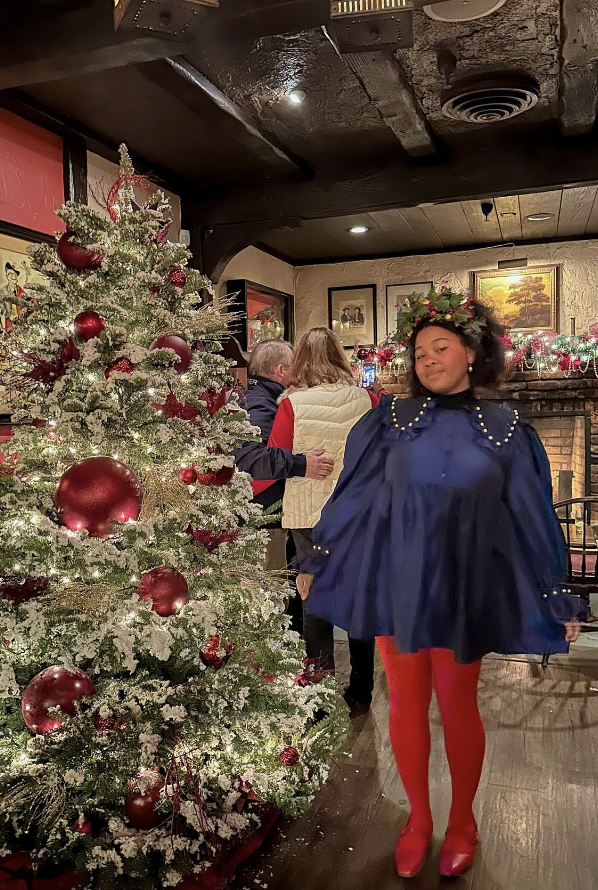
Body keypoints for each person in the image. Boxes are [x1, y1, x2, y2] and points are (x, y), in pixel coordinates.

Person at [296, 290, 581, 877]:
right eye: (419, 351)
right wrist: (316, 558)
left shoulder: (506, 429)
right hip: (397, 580)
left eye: (440, 348)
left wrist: (557, 590)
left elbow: (533, 513)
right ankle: (418, 820)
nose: (426, 360)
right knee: (403, 702)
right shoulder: (388, 420)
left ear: (472, 353)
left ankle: (463, 823)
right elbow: (353, 494)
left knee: (456, 706)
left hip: (464, 584)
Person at [262, 327, 378, 716]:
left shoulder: (291, 405)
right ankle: (361, 690)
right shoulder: (369, 399)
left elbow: (278, 457)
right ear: (340, 357)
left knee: (314, 600)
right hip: (360, 513)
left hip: (310, 515)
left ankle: (320, 697)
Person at [234, 340, 334, 572]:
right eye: (296, 367)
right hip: (264, 521)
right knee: (270, 592)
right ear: (281, 370)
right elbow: (249, 458)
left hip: (262, 517)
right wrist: (303, 464)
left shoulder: (255, 396)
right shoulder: (260, 404)